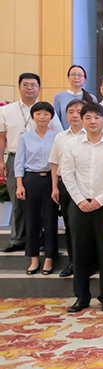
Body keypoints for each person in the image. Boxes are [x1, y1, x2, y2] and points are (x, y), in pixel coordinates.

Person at [61, 103, 103, 312]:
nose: (92, 121)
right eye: (88, 117)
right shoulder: (71, 145)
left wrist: (100, 200)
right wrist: (80, 200)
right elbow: (67, 174)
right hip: (79, 205)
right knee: (80, 252)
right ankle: (81, 297)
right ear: (82, 120)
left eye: (96, 117)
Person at [0, 73, 62, 253]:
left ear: (39, 89)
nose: (29, 88)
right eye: (25, 84)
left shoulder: (47, 111)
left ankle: (40, 239)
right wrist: (1, 161)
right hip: (15, 158)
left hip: (44, 162)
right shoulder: (7, 110)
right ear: (19, 87)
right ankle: (17, 239)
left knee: (43, 202)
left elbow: (60, 135)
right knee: (18, 200)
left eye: (33, 85)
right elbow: (2, 137)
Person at [15, 102, 59, 275]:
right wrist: (19, 184)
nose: (42, 117)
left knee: (50, 220)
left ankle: (49, 258)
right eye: (38, 113)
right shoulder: (25, 138)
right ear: (33, 116)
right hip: (30, 180)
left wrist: (55, 186)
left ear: (51, 117)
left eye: (46, 114)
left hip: (50, 180)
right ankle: (33, 258)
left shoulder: (57, 137)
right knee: (31, 220)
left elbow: (57, 162)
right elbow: (19, 162)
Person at [49, 98, 87, 277]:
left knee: (87, 226)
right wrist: (55, 187)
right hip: (66, 185)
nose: (75, 115)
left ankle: (90, 262)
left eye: (79, 111)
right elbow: (55, 164)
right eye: (70, 112)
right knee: (70, 225)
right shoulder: (60, 137)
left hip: (87, 185)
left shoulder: (92, 134)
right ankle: (73, 262)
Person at [53, 65, 96, 129]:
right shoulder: (59, 97)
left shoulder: (91, 98)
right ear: (68, 77)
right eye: (73, 74)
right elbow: (56, 120)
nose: (76, 77)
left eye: (80, 75)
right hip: (65, 133)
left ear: (84, 79)